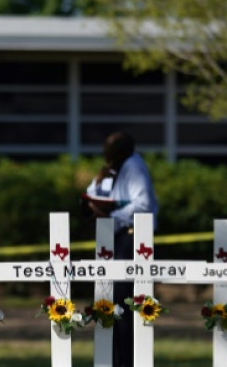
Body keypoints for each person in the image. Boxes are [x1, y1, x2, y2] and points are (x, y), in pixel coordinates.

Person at [84, 131, 158, 367]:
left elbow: (144, 205)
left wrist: (111, 213)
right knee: (110, 300)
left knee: (124, 303)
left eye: (110, 152)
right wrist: (97, 186)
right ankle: (115, 360)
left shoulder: (134, 167)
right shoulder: (115, 169)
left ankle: (125, 361)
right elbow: (95, 194)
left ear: (122, 151)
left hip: (131, 237)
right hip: (113, 235)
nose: (106, 157)